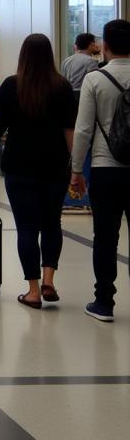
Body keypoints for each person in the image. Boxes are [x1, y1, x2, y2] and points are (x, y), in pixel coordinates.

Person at [0, 34, 76, 309]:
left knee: (27, 227)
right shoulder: (62, 87)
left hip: (20, 166)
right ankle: (49, 280)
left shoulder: (12, 85)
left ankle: (32, 291)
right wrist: (76, 166)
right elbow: (70, 131)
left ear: (23, 56)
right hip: (55, 166)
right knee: (52, 224)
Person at [71, 18, 130, 322]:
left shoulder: (96, 79)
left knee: (105, 237)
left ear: (105, 46)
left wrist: (75, 170)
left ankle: (104, 302)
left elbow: (82, 130)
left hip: (106, 168)